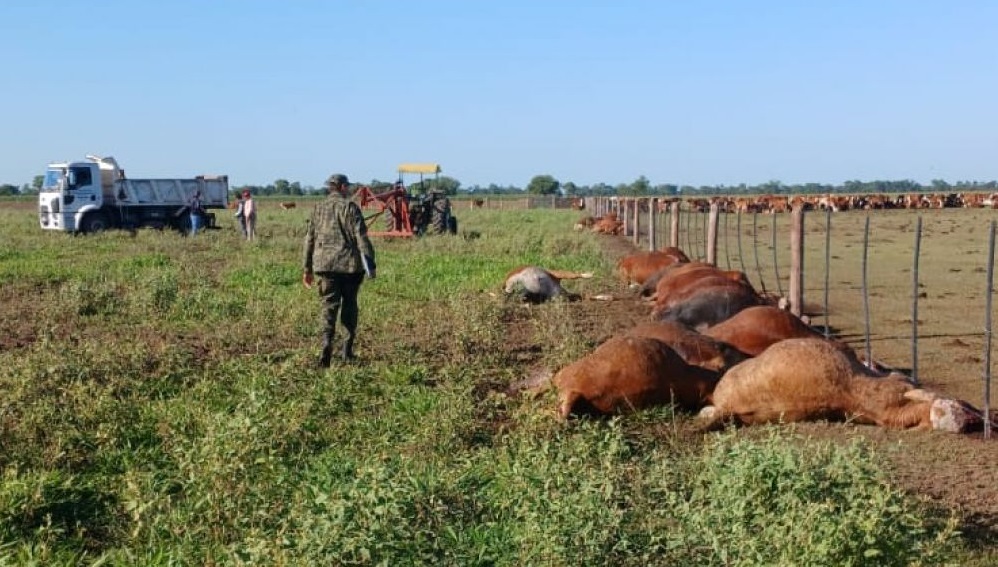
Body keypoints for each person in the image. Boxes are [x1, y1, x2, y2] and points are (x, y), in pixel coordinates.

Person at [302, 173, 376, 366]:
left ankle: (326, 344)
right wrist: (370, 264)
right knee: (350, 306)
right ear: (342, 187)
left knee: (329, 307)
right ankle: (346, 351)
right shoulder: (350, 207)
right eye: (347, 187)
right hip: (350, 267)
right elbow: (362, 238)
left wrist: (306, 269)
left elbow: (309, 239)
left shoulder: (318, 208)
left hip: (324, 266)